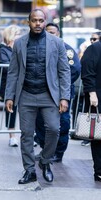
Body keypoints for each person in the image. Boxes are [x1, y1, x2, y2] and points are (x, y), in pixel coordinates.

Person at [5, 9, 70, 184]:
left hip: (49, 95)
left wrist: (64, 97)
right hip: (25, 94)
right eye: (34, 20)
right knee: (26, 134)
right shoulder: (19, 43)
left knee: (54, 129)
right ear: (29, 22)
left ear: (45, 21)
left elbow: (64, 71)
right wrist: (9, 96)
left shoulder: (57, 43)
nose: (38, 24)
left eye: (41, 20)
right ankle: (29, 170)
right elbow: (13, 72)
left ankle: (45, 162)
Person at [34, 22, 81, 162]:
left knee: (62, 124)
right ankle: (45, 151)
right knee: (40, 123)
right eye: (47, 32)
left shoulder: (67, 50)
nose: (49, 35)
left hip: (62, 94)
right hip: (42, 93)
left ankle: (58, 153)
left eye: (52, 32)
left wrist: (56, 85)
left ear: (58, 34)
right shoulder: (39, 48)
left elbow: (75, 71)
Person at [0, 24, 21, 147]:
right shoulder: (3, 51)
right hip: (9, 87)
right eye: (17, 34)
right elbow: (6, 67)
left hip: (22, 86)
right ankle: (12, 136)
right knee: (11, 111)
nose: (19, 37)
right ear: (11, 36)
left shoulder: (20, 49)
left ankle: (29, 136)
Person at [81, 34, 101, 182]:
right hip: (98, 99)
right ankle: (99, 170)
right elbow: (87, 73)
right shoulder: (95, 48)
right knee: (99, 137)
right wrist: (92, 94)